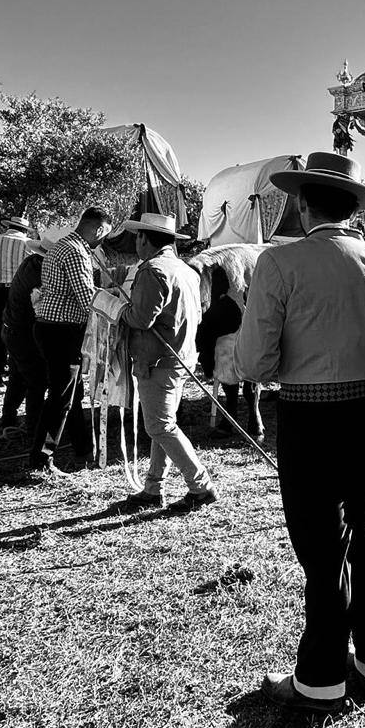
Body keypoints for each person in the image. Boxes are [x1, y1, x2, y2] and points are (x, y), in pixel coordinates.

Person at [237, 151, 365, 712]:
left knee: (324, 550)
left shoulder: (280, 264)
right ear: (354, 207)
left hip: (311, 423)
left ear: (302, 203)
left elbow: (256, 363)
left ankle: (321, 680)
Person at [117, 212, 217, 509]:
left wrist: (114, 307)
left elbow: (140, 318)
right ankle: (153, 488)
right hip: (180, 357)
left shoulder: (152, 271)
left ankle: (201, 486)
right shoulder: (185, 270)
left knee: (160, 426)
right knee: (162, 424)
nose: (136, 242)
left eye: (137, 237)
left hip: (158, 361)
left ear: (145, 239)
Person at [31, 207, 111, 474]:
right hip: (62, 330)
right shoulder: (76, 252)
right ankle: (41, 459)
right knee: (61, 396)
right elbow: (86, 296)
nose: (102, 241)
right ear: (98, 229)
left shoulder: (61, 246)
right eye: (104, 234)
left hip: (52, 327)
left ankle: (82, 450)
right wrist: (117, 307)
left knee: (71, 394)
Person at [195, 265, 263, 442]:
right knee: (242, 377)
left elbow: (203, 338)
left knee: (237, 382)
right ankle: (246, 419)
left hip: (230, 346)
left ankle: (243, 419)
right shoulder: (240, 301)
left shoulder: (216, 309)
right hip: (241, 340)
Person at [0, 239, 48, 441]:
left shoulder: (31, 263)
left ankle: (9, 420)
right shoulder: (40, 272)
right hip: (22, 332)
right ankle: (33, 427)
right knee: (37, 381)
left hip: (12, 328)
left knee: (18, 377)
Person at [0, 217, 33, 385]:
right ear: (24, 230)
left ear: (8, 227)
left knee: (1, 331)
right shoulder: (28, 243)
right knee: (20, 330)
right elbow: (31, 269)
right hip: (19, 291)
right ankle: (17, 371)